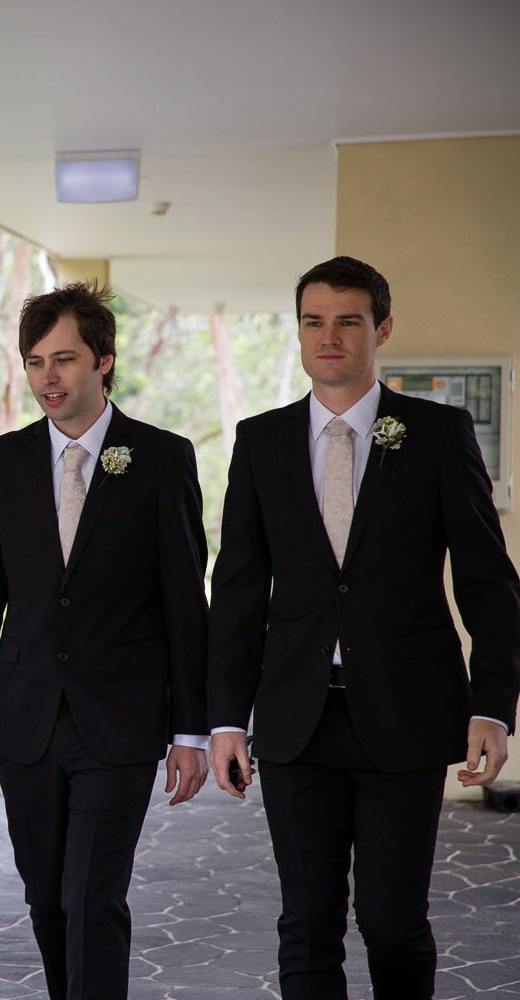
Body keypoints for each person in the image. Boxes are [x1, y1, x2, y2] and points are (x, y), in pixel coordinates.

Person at [207, 256, 520, 1000]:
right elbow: (238, 590)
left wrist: (491, 707)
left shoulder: (438, 434)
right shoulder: (261, 441)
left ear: (382, 328)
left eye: (348, 321)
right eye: (313, 321)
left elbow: (488, 581)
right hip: (296, 720)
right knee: (307, 924)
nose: (329, 337)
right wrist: (224, 718)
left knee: (391, 921)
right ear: (298, 331)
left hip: (406, 715)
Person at [0, 282, 210, 1000]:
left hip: (120, 723)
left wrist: (190, 731)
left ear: (103, 361)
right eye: (35, 362)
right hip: (27, 720)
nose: (47, 378)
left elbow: (187, 605)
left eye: (63, 359)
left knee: (93, 897)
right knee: (47, 899)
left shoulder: (162, 458)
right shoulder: (4, 461)